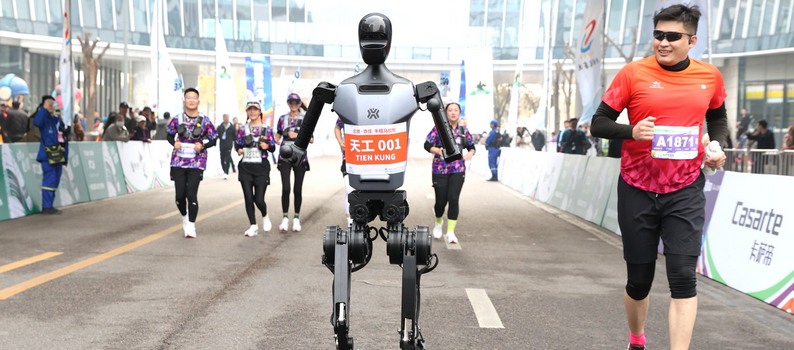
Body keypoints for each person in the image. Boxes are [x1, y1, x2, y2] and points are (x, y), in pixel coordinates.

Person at [589, 5, 728, 350]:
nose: (663, 43)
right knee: (639, 281)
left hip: (686, 187)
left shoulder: (709, 76)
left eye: (672, 37)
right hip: (637, 187)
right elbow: (599, 123)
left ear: (692, 40)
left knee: (683, 277)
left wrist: (715, 145)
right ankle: (637, 338)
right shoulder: (633, 74)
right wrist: (632, 131)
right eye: (658, 35)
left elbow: (718, 117)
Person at [166, 87, 218, 238]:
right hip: (178, 161)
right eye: (188, 97)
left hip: (197, 161)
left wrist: (203, 146)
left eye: (194, 98)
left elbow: (214, 139)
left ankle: (191, 225)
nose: (191, 100)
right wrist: (173, 143)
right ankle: (184, 217)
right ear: (184, 100)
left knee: (191, 194)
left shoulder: (204, 120)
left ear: (198, 101)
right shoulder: (177, 118)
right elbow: (169, 135)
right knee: (179, 196)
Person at [424, 102, 475, 244]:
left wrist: (470, 153)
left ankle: (451, 232)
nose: (453, 113)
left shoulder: (463, 130)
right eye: (450, 110)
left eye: (456, 110)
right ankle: (438, 223)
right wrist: (437, 151)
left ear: (459, 112)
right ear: (446, 113)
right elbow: (427, 144)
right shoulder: (439, 129)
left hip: (458, 169)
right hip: (440, 169)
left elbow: (471, 146)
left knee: (453, 199)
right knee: (441, 201)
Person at [235, 101, 276, 237]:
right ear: (247, 112)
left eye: (255, 110)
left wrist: (267, 147)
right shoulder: (242, 129)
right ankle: (253, 225)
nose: (252, 112)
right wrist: (239, 150)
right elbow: (237, 145)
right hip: (246, 166)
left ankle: (265, 215)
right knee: (248, 197)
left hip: (261, 167)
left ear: (260, 112)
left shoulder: (267, 129)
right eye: (249, 110)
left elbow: (273, 147)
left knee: (258, 199)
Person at [275, 93, 312, 232]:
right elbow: (277, 134)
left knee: (297, 189)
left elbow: (311, 138)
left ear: (299, 104)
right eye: (291, 102)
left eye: (296, 102)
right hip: (284, 155)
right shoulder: (282, 119)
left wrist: (297, 135)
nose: (294, 105)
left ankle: (296, 218)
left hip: (299, 156)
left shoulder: (305, 119)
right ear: (288, 103)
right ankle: (285, 217)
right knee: (285, 188)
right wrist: (276, 138)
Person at [33, 95, 69, 215]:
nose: (51, 106)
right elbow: (36, 122)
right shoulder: (44, 118)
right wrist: (43, 109)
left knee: (55, 180)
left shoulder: (56, 120)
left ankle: (50, 205)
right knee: (49, 179)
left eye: (52, 104)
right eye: (48, 103)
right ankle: (46, 207)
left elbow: (63, 135)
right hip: (48, 155)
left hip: (58, 155)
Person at [333, 116, 354, 227]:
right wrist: (341, 142)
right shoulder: (347, 110)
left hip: (368, 157)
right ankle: (349, 219)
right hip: (349, 157)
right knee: (349, 189)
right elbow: (337, 127)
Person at [217, 113, 236, 180]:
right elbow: (217, 135)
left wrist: (236, 146)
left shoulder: (232, 127)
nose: (226, 119)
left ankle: (226, 172)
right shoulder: (220, 127)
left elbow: (234, 136)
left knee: (227, 158)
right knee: (222, 158)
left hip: (229, 145)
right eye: (225, 117)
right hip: (222, 145)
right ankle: (224, 169)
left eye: (227, 117)